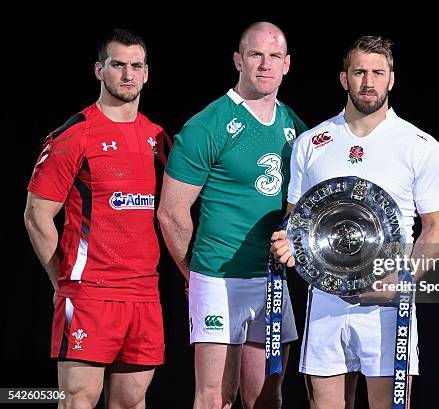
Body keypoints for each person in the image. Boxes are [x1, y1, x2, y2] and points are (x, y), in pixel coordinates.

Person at [271, 36, 439, 409]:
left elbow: (435, 228)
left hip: (387, 305)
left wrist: (404, 284)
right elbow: (296, 220)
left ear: (391, 79)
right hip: (325, 299)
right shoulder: (311, 142)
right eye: (359, 72)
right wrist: (286, 243)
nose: (368, 82)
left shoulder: (419, 145)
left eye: (377, 73)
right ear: (344, 78)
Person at [157, 22, 307, 409]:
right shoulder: (207, 125)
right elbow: (171, 212)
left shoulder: (297, 129)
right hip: (218, 277)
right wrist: (193, 274)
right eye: (255, 54)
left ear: (287, 64)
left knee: (266, 398)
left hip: (272, 280)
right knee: (215, 398)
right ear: (238, 59)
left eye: (274, 56)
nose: (265, 64)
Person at [24, 29, 171, 409]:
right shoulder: (75, 134)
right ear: (98, 70)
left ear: (147, 73)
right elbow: (37, 214)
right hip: (90, 294)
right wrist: (63, 281)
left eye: (136, 66)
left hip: (144, 296)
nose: (127, 74)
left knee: (131, 402)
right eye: (117, 64)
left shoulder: (158, 139)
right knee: (78, 400)